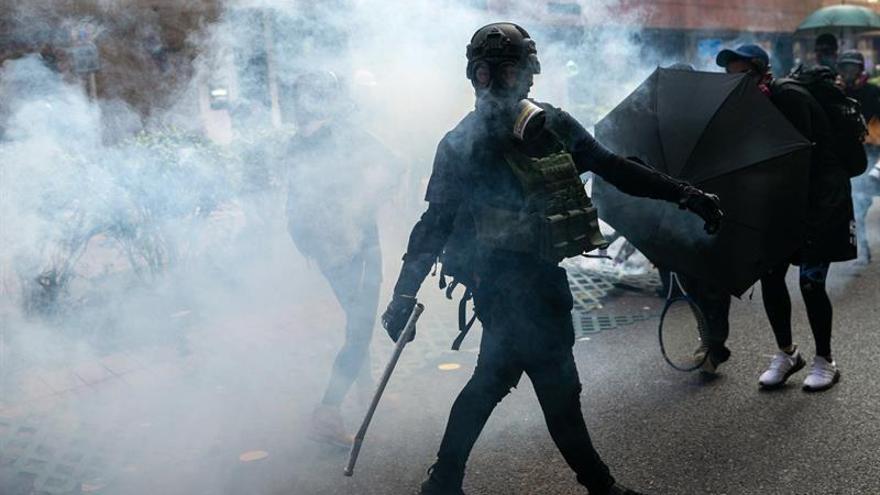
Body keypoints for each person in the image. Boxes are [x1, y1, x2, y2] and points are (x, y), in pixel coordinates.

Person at [381, 23, 723, 495]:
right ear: (481, 76)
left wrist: (684, 195)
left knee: (494, 382)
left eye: (525, 70)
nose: (523, 82)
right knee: (554, 387)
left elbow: (615, 168)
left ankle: (443, 482)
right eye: (511, 71)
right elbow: (434, 224)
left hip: (539, 281)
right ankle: (600, 488)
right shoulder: (460, 144)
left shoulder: (551, 125)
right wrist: (403, 291)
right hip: (501, 288)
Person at [717, 44, 857, 392]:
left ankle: (825, 360)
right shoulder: (747, 108)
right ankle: (786, 353)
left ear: (761, 71)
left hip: (821, 201)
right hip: (782, 203)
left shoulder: (790, 98)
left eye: (741, 74)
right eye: (729, 76)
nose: (735, 82)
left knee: (811, 283)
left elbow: (798, 159)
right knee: (770, 275)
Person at [285, 70, 397, 446]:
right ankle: (327, 412)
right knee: (360, 328)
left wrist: (364, 202)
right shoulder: (333, 136)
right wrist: (366, 203)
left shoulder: (308, 140)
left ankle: (365, 396)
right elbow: (393, 163)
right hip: (349, 247)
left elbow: (391, 164)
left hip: (345, 246)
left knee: (358, 324)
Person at [838, 50, 880, 264]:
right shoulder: (838, 92)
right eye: (844, 67)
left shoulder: (872, 91)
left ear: (860, 68)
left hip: (870, 153)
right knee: (852, 203)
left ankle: (861, 249)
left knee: (860, 203)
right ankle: (859, 248)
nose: (848, 72)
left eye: (852, 67)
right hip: (847, 154)